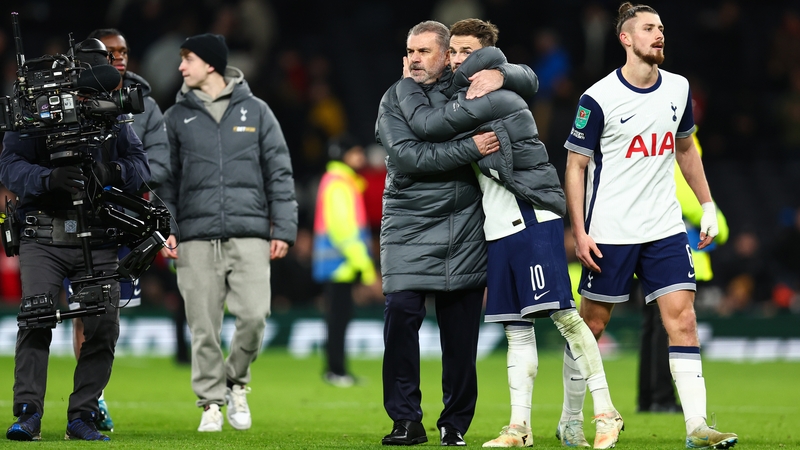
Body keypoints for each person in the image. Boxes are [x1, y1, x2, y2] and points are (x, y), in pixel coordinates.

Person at [395, 18, 622, 449]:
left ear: (485, 56)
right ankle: (519, 427)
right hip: (498, 229)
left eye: (466, 52)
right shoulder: (482, 88)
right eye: (454, 51)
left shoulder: (495, 95)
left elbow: (430, 126)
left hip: (530, 219)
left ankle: (606, 413)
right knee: (517, 330)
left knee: (567, 320)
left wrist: (411, 84)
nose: (457, 59)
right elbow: (524, 77)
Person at [561, 3, 738, 449]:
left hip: (663, 229)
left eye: (661, 27)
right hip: (611, 232)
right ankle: (569, 421)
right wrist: (579, 230)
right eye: (648, 28)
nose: (658, 34)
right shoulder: (597, 98)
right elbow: (576, 166)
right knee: (591, 327)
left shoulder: (678, 89)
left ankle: (697, 427)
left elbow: (686, 149)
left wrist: (708, 203)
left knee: (684, 321)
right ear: (625, 38)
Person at [375, 20, 531, 447]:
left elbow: (528, 81)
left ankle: (455, 423)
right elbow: (408, 157)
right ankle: (405, 420)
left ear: (448, 56)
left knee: (461, 338)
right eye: (410, 51)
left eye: (424, 51)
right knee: (401, 321)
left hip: (463, 229)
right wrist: (469, 149)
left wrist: (503, 73)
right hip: (407, 225)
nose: (414, 59)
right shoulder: (393, 98)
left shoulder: (470, 92)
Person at [1, 38, 150, 441]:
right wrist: (47, 179)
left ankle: (82, 415)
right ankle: (28, 413)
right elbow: (9, 166)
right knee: (36, 317)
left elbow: (140, 166)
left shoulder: (115, 115)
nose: (91, 95)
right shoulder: (36, 108)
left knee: (103, 325)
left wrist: (112, 171)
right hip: (44, 233)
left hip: (99, 234)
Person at [157, 33, 298, 433]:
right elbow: (164, 184)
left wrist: (284, 229)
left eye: (188, 59)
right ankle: (210, 404)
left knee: (255, 316)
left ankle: (236, 382)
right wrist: (166, 228)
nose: (181, 67)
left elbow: (280, 174)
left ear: (211, 64)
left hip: (249, 232)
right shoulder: (175, 116)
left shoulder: (257, 111)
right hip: (195, 237)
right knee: (203, 327)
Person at [63, 27, 171, 433]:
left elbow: (158, 162)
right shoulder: (74, 98)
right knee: (84, 311)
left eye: (123, 51)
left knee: (112, 313)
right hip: (85, 219)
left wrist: (120, 177)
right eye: (110, 53)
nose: (118, 58)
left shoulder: (145, 103)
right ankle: (95, 399)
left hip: (131, 218)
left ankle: (94, 389)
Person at [637, 131, 729, 414]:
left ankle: (648, 398)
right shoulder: (680, 141)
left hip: (648, 248)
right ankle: (662, 398)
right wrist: (719, 223)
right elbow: (687, 197)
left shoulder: (654, 136)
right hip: (674, 258)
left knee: (654, 327)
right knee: (670, 327)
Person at [312, 135, 377, 387]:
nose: (360, 157)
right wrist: (363, 263)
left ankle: (337, 369)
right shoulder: (339, 184)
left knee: (339, 318)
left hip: (339, 264)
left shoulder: (339, 181)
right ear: (344, 155)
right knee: (338, 319)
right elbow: (344, 229)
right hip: (340, 264)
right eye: (356, 151)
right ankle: (336, 370)